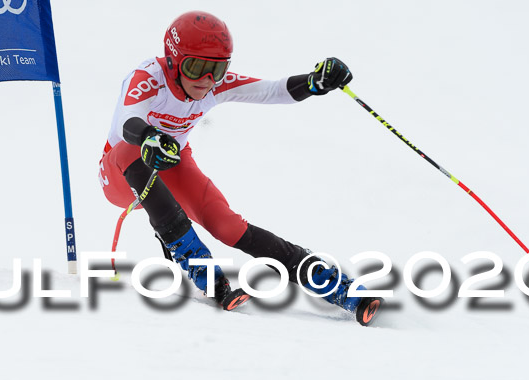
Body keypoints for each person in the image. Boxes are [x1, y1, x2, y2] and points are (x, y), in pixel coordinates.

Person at [99, 10, 383, 325]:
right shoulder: (149, 77)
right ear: (174, 61)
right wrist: (148, 136)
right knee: (130, 150)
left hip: (171, 163)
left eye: (217, 70)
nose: (207, 81)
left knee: (227, 225)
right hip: (120, 174)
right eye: (197, 68)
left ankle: (338, 288)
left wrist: (315, 82)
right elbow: (128, 120)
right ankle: (198, 262)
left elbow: (274, 90)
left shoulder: (210, 85)